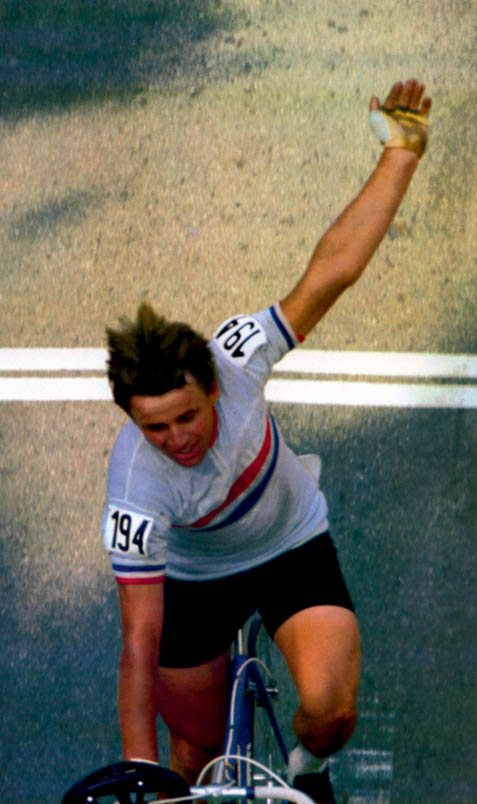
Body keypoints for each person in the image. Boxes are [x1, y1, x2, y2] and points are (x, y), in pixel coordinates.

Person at [101, 79, 431, 804]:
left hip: (288, 545)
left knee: (328, 712)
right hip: (191, 581)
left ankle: (308, 776)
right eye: (153, 427)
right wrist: (139, 769)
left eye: (186, 416)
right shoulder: (135, 490)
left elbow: (332, 270)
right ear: (130, 417)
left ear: (212, 385)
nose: (175, 439)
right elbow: (138, 642)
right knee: (189, 755)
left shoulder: (237, 354)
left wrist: (401, 155)